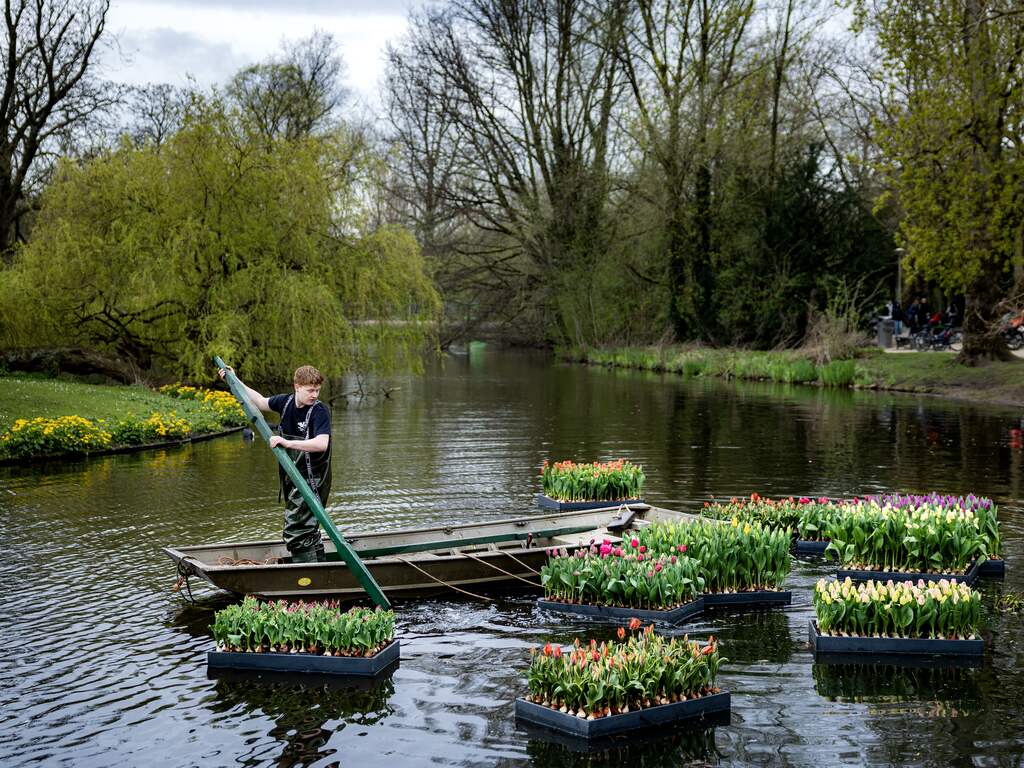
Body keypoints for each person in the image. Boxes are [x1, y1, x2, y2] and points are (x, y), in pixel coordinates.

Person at [219, 364, 332, 563]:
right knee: (304, 526)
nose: (315, 395)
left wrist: (287, 442)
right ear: (297, 386)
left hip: (314, 478)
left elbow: (322, 444)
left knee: (296, 529)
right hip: (291, 475)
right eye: (310, 390)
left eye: (317, 390)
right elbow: (260, 401)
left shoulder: (319, 410)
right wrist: (234, 380)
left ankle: (309, 572)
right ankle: (316, 564)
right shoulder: (285, 402)